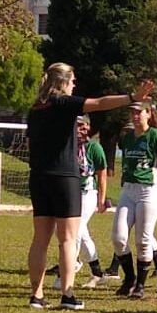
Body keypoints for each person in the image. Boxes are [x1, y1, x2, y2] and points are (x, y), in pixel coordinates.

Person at [26, 62, 153, 310]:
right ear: (62, 82)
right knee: (68, 239)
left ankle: (36, 296)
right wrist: (132, 97)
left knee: (40, 239)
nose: (74, 85)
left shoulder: (36, 108)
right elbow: (100, 102)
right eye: (72, 81)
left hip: (39, 178)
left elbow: (30, 145)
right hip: (65, 177)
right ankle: (67, 295)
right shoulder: (63, 102)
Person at [111, 100, 157, 299]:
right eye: (132, 113)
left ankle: (140, 286)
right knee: (118, 237)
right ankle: (129, 278)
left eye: (139, 112)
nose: (135, 116)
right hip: (128, 190)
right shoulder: (127, 137)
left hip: (148, 190)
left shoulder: (155, 135)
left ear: (148, 114)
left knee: (143, 240)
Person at [53, 116, 109, 291]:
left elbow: (102, 174)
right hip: (70, 192)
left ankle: (66, 273)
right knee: (76, 232)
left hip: (87, 194)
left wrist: (101, 199)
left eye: (80, 126)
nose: (77, 130)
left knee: (75, 231)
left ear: (87, 128)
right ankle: (97, 272)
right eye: (75, 126)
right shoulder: (67, 145)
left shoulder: (94, 147)